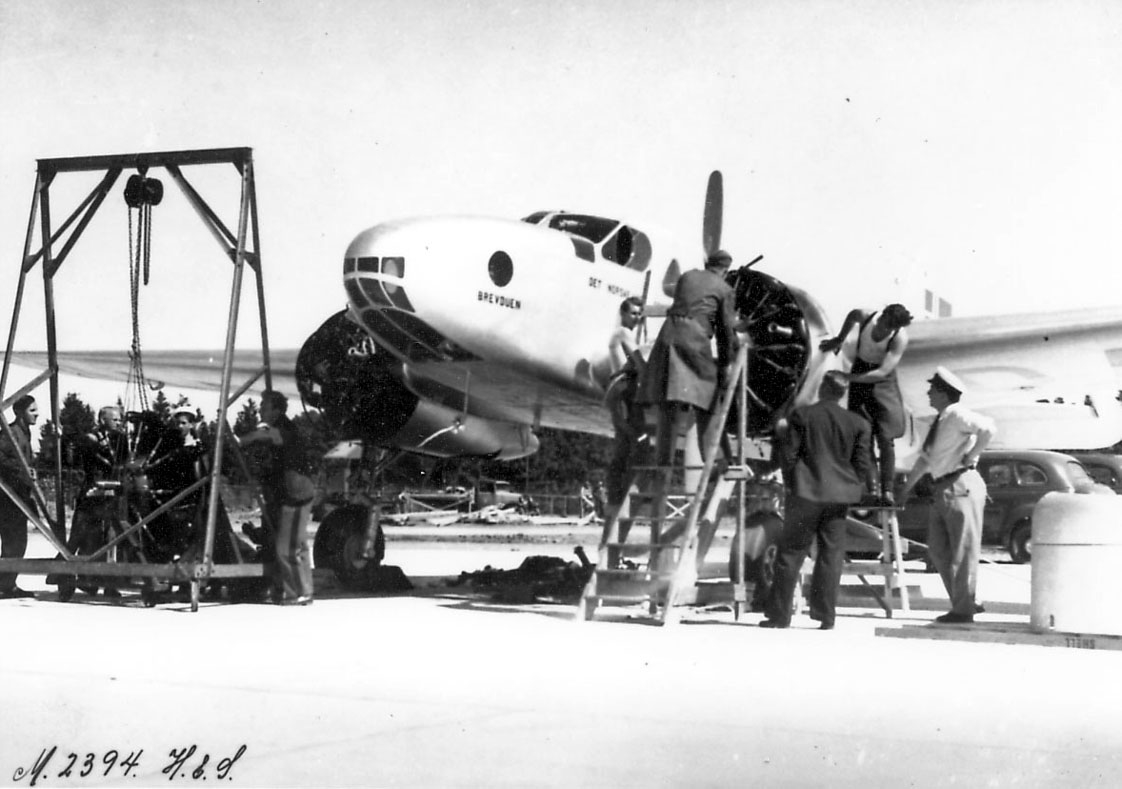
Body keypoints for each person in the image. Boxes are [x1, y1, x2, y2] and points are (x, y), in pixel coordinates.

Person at [761, 371, 875, 630]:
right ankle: (826, 615)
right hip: (838, 498)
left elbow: (789, 455)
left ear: (823, 388)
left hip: (805, 492)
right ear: (842, 392)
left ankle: (780, 615)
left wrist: (793, 483)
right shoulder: (858, 424)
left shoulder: (802, 415)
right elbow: (862, 465)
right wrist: (847, 487)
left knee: (791, 553)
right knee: (831, 554)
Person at [899, 366, 996, 624]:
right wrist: (905, 490)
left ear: (943, 393)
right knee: (939, 550)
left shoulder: (956, 414)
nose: (929, 393)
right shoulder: (941, 420)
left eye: (933, 389)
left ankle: (963, 609)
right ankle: (965, 601)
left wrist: (972, 455)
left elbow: (988, 429)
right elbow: (925, 460)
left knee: (962, 550)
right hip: (943, 487)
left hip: (960, 483)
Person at [637, 250, 739, 470]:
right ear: (726, 270)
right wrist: (726, 363)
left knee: (668, 401)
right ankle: (719, 459)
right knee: (709, 396)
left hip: (667, 335)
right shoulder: (725, 289)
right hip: (693, 339)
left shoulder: (687, 277)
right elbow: (726, 332)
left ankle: (663, 461)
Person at [819, 303, 914, 502]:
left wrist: (848, 377)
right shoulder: (866, 316)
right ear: (881, 317)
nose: (883, 330)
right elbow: (852, 315)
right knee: (864, 433)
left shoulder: (899, 339)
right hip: (860, 371)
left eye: (889, 328)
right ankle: (872, 488)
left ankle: (887, 489)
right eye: (883, 324)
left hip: (882, 381)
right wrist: (839, 339)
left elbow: (881, 373)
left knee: (885, 437)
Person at [239, 390, 315, 605]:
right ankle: (302, 590)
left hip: (295, 494)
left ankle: (298, 593)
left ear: (276, 411)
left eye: (264, 406)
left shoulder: (284, 429)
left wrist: (241, 439)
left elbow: (268, 436)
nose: (260, 409)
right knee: (296, 544)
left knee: (286, 548)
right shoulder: (280, 428)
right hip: (294, 493)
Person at [64, 405, 129, 598]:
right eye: (115, 419)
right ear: (102, 420)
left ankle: (109, 581)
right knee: (81, 535)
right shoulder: (89, 439)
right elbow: (81, 457)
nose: (119, 423)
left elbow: (124, 461)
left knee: (111, 538)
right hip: (92, 493)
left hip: (113, 493)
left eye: (120, 420)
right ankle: (68, 574)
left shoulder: (120, 440)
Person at [605, 297, 647, 507]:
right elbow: (640, 364)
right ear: (622, 313)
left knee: (624, 442)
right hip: (624, 389)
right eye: (633, 313)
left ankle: (616, 495)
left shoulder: (618, 334)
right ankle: (624, 492)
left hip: (618, 388)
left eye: (639, 313)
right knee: (634, 439)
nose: (637, 317)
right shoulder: (624, 333)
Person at [0, 395, 39, 598]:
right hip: (8, 497)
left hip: (20, 495)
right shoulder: (11, 433)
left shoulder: (25, 433)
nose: (37, 414)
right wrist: (22, 471)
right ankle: (4, 584)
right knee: (12, 541)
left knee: (18, 541)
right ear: (19, 412)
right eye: (32, 410)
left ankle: (7, 583)